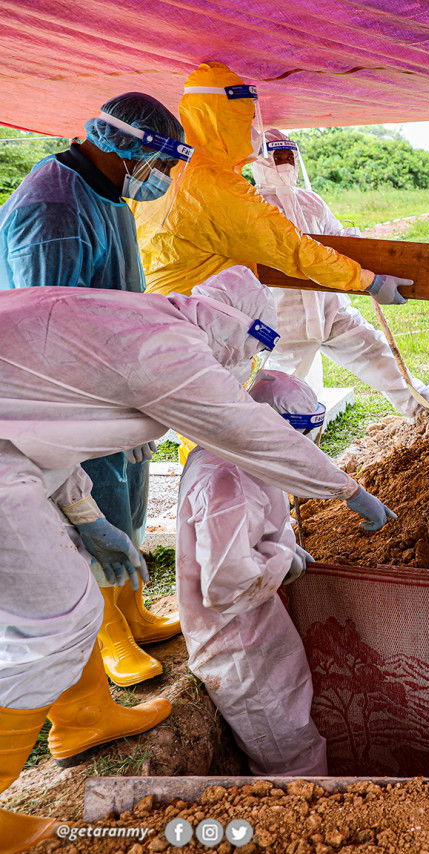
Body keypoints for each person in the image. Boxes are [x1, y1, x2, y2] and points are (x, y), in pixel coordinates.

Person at [0, 271, 395, 846]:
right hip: (234, 642)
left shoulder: (151, 323)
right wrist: (344, 490)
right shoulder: (166, 350)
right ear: (241, 326)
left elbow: (41, 422)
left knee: (54, 617)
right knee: (57, 619)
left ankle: (79, 719)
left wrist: (84, 513)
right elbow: (249, 432)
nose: (252, 362)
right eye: (259, 345)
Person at [0, 92, 189, 687]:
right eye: (157, 166)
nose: (157, 180)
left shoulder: (106, 193)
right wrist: (104, 398)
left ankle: (129, 611)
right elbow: (48, 331)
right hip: (65, 396)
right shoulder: (54, 209)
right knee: (86, 505)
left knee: (126, 492)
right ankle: (106, 637)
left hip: (109, 382)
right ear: (125, 147)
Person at [132, 62, 411, 306]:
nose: (252, 131)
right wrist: (367, 281)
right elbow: (291, 249)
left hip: (160, 309)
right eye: (247, 119)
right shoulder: (217, 185)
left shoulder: (161, 167)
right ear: (225, 121)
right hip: (198, 317)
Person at [177, 370, 330, 775]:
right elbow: (229, 585)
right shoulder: (227, 482)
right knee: (286, 745)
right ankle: (301, 820)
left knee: (292, 722)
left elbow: (253, 527)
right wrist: (283, 560)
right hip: (237, 643)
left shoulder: (237, 452)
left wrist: (286, 545)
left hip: (255, 624)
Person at [251, 129, 429, 417]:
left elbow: (338, 239)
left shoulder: (312, 202)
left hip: (331, 309)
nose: (285, 163)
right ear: (260, 162)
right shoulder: (253, 206)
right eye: (276, 157)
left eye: (289, 157)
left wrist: (358, 247)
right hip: (285, 320)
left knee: (374, 351)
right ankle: (272, 443)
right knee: (279, 390)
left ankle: (419, 407)